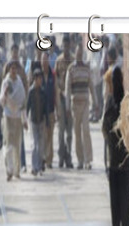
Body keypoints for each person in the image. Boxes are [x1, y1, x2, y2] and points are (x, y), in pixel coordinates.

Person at [102, 67, 129, 226]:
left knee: (122, 207)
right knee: (117, 206)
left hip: (122, 162)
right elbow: (106, 127)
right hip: (117, 162)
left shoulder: (124, 104)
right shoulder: (113, 103)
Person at [65, 43, 95, 169]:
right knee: (77, 132)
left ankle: (88, 160)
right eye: (77, 53)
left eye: (80, 54)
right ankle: (80, 160)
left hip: (85, 104)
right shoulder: (71, 69)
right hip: (75, 104)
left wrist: (96, 102)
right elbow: (67, 89)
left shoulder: (86, 69)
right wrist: (67, 106)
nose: (78, 55)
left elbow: (91, 86)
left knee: (86, 130)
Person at [0, 61, 27, 181]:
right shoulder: (6, 83)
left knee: (17, 145)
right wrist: (5, 95)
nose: (14, 71)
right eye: (12, 69)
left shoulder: (19, 83)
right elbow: (1, 101)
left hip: (17, 118)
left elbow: (22, 102)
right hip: (8, 116)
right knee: (9, 145)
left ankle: (16, 170)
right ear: (9, 70)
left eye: (15, 69)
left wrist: (24, 120)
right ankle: (9, 170)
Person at [54, 35, 74, 169]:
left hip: (71, 99)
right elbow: (56, 81)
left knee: (69, 132)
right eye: (64, 46)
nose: (66, 48)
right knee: (61, 131)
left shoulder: (73, 61)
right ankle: (61, 157)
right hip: (61, 98)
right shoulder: (58, 61)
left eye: (68, 46)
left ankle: (68, 157)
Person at [26, 69, 48, 177]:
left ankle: (39, 167)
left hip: (41, 121)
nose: (40, 80)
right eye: (39, 78)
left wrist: (47, 120)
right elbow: (28, 106)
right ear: (35, 79)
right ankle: (34, 167)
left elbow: (46, 108)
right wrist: (25, 119)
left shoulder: (43, 92)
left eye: (41, 78)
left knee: (40, 145)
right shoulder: (31, 92)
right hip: (34, 121)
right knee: (34, 145)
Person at [39, 51, 56, 169]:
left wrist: (58, 110)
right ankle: (42, 158)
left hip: (50, 110)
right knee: (42, 136)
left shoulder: (52, 74)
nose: (44, 63)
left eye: (46, 61)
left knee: (50, 136)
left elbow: (56, 92)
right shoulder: (37, 75)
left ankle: (49, 159)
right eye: (42, 61)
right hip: (40, 112)